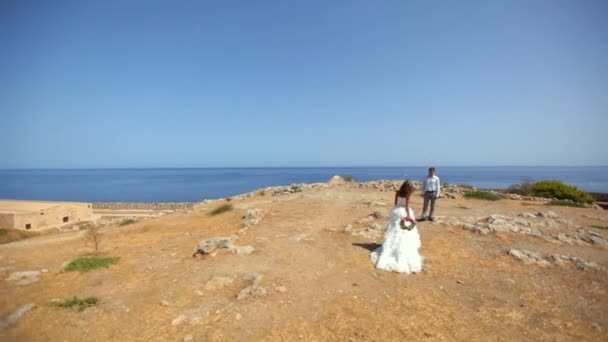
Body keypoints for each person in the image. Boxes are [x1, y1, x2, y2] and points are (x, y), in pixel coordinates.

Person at [370, 180, 422, 274]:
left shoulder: (398, 192)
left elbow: (395, 202)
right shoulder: (407, 194)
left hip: (396, 210)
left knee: (393, 229)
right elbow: (406, 206)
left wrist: (395, 209)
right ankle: (401, 248)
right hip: (403, 212)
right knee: (403, 231)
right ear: (408, 188)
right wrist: (408, 216)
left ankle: (390, 247)